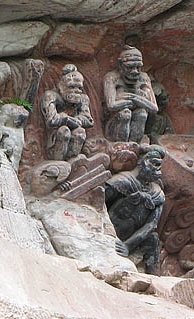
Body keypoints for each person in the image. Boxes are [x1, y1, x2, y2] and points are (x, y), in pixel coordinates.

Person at [105, 145, 166, 274]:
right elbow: (100, 202)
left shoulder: (157, 194)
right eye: (153, 163)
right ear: (141, 162)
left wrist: (128, 245)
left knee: (153, 239)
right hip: (111, 230)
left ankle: (153, 277)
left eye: (159, 165)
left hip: (131, 238)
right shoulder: (123, 181)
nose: (157, 170)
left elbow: (151, 225)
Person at [104, 46, 158, 143]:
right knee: (125, 114)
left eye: (138, 67)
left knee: (141, 113)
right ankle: (121, 143)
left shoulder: (143, 78)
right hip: (116, 125)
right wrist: (139, 100)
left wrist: (131, 97)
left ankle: (134, 143)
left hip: (136, 123)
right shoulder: (112, 77)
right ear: (121, 65)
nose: (135, 71)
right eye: (130, 67)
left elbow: (154, 108)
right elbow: (111, 105)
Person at [41, 64, 95, 161]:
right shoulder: (51, 96)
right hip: (55, 137)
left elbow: (89, 120)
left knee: (80, 132)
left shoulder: (83, 98)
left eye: (79, 88)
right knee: (64, 131)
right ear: (62, 86)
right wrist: (67, 119)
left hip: (74, 131)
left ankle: (72, 159)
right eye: (72, 87)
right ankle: (58, 160)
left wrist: (75, 120)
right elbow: (51, 119)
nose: (76, 91)